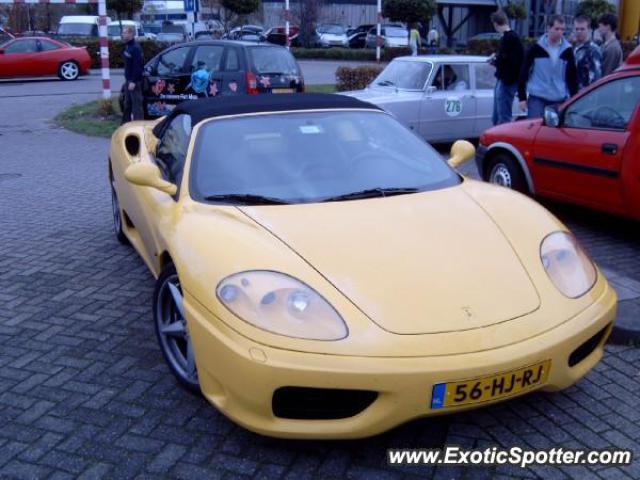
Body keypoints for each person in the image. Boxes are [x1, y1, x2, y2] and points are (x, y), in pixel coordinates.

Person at [518, 15, 578, 119]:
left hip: (558, 97)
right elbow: (524, 72)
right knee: (535, 129)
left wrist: (574, 98)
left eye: (562, 29)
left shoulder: (568, 50)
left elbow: (572, 77)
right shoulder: (536, 48)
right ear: (548, 28)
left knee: (553, 133)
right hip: (537, 96)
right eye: (557, 28)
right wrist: (522, 97)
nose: (560, 32)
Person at [490, 10, 524, 125]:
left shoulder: (509, 38)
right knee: (499, 115)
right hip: (507, 79)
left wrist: (495, 61)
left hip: (507, 81)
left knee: (502, 116)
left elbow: (509, 61)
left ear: (495, 24)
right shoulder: (512, 37)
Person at [121, 26, 144, 124]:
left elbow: (138, 66)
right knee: (127, 105)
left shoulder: (136, 48)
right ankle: (125, 125)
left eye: (125, 32)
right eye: (123, 32)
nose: (123, 34)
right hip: (128, 81)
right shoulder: (128, 47)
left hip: (134, 82)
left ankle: (138, 126)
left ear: (131, 34)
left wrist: (134, 81)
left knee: (136, 106)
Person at [573, 15, 602, 90]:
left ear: (589, 30)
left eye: (582, 29)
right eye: (577, 29)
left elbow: (596, 79)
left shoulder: (593, 50)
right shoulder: (575, 48)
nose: (579, 32)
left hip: (585, 97)